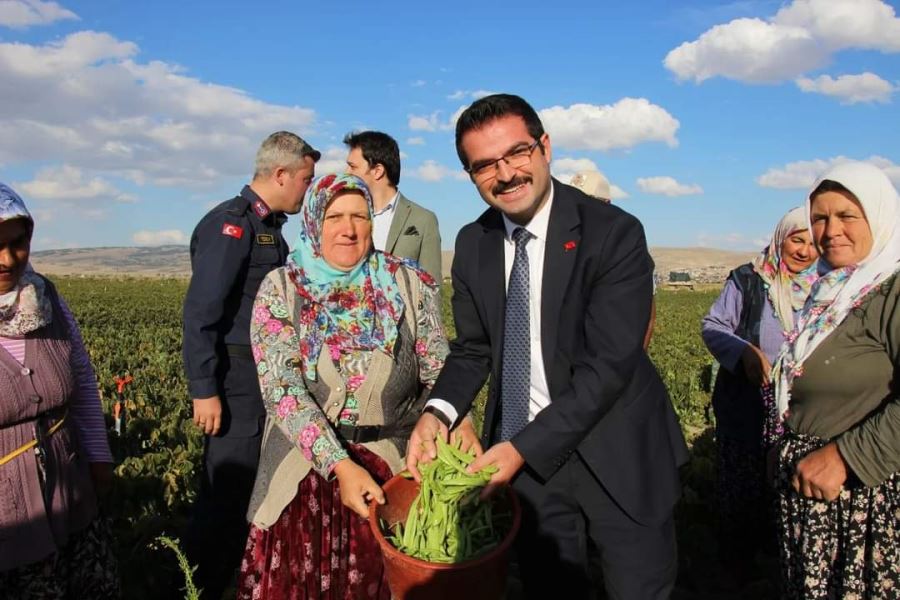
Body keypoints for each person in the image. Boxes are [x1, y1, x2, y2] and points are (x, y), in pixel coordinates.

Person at [406, 94, 689, 600]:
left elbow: (609, 368)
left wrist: (519, 449)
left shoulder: (612, 233)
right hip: (532, 468)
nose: (507, 173)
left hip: (617, 451)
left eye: (517, 152)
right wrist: (438, 412)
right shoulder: (474, 244)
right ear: (471, 175)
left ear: (545, 147)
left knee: (638, 589)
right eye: (485, 165)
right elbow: (473, 349)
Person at [235, 174, 477, 599]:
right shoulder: (281, 289)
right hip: (305, 476)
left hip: (392, 476)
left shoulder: (408, 284)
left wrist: (461, 421)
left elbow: (441, 368)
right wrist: (341, 465)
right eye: (334, 217)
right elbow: (282, 391)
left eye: (359, 216)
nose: (348, 229)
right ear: (313, 223)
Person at [182, 131, 320, 598]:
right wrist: (205, 387)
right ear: (280, 175)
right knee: (226, 496)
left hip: (259, 382)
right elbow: (203, 311)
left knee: (248, 497)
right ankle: (195, 586)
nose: (307, 188)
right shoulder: (233, 225)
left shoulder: (269, 228)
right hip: (236, 383)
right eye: (305, 179)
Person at [770, 162, 900, 599]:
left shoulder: (892, 291)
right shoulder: (832, 291)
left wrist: (845, 458)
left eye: (847, 216)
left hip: (866, 500)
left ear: (879, 217)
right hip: (817, 496)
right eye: (819, 218)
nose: (830, 231)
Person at [0, 183, 117, 597]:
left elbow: (81, 380)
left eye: (18, 243)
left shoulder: (43, 297)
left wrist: (99, 456)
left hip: (69, 487)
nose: (8, 259)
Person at [701, 206, 818, 585]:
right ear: (780, 237)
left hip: (798, 406)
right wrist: (743, 353)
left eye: (813, 243)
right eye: (796, 239)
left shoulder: (828, 286)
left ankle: (782, 560)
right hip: (748, 401)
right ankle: (737, 562)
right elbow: (714, 326)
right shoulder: (750, 279)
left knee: (788, 480)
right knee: (743, 477)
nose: (804, 250)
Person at [570, 169, 658, 350]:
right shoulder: (563, 246)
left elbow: (647, 318)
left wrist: (628, 367)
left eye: (588, 203)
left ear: (607, 205)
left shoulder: (628, 251)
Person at [344, 130, 442, 281]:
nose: (346, 173)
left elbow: (431, 286)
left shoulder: (423, 220)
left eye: (352, 167)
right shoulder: (341, 218)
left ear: (377, 171)